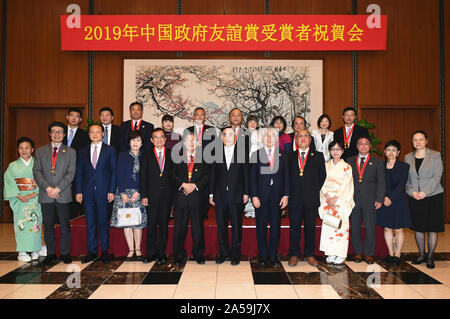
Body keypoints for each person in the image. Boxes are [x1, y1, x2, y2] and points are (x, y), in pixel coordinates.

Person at [33, 121, 76, 265]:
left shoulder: (70, 152)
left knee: (64, 225)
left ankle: (65, 253)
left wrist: (57, 189)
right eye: (54, 131)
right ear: (49, 134)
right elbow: (37, 172)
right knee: (48, 225)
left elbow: (71, 173)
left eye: (60, 132)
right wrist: (48, 189)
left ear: (64, 135)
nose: (57, 134)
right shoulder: (40, 151)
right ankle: (50, 253)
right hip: (46, 195)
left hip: (62, 194)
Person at [75, 124, 117, 264]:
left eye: (98, 132)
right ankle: (92, 251)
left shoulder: (110, 150)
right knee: (90, 222)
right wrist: (78, 190)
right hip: (87, 193)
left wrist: (112, 190)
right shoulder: (82, 151)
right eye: (92, 132)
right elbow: (79, 172)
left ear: (103, 134)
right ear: (89, 134)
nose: (95, 134)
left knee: (103, 222)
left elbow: (113, 172)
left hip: (104, 192)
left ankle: (105, 251)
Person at [209, 127, 249, 266]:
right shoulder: (216, 153)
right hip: (220, 196)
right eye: (224, 134)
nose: (227, 137)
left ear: (235, 137)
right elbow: (213, 175)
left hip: (236, 195)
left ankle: (235, 254)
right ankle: (223, 253)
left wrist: (246, 192)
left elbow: (246, 175)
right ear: (222, 138)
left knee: (236, 226)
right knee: (221, 226)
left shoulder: (242, 153)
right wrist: (211, 194)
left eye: (230, 134)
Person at [250, 127, 289, 267]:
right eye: (266, 135)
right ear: (261, 139)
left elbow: (287, 177)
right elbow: (252, 178)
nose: (268, 138)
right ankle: (262, 255)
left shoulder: (283, 155)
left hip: (277, 197)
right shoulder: (256, 154)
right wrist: (253, 196)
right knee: (260, 227)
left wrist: (286, 195)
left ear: (276, 138)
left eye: (272, 135)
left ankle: (272, 255)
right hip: (260, 196)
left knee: (275, 228)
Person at [405, 131, 444, 269]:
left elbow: (437, 176)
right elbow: (407, 180)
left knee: (432, 227)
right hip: (415, 197)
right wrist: (412, 192)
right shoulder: (408, 157)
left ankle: (430, 256)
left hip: (433, 196)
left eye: (421, 139)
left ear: (426, 141)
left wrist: (424, 192)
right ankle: (421, 254)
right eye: (415, 139)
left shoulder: (435, 155)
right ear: (412, 141)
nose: (418, 142)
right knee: (418, 227)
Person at [287, 129, 326, 267]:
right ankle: (294, 254)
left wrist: (313, 189)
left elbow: (322, 177)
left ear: (310, 140)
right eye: (300, 136)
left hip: (311, 198)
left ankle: (310, 254)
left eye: (306, 136)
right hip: (294, 198)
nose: (303, 138)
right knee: (294, 227)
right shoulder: (290, 156)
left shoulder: (318, 156)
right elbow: (286, 177)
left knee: (310, 227)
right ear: (296, 140)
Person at [172, 132, 210, 266]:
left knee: (197, 228)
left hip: (197, 197)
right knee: (179, 228)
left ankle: (199, 254)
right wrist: (183, 184)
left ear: (197, 143)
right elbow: (172, 174)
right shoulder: (176, 156)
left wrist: (195, 185)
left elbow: (206, 176)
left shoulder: (203, 157)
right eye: (188, 140)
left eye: (194, 140)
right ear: (183, 142)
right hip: (181, 196)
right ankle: (178, 254)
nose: (191, 143)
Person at [110, 131, 147, 261]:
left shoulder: (145, 156)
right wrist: (123, 193)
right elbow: (119, 175)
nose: (135, 143)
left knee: (137, 222)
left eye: (138, 140)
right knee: (127, 222)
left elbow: (146, 177)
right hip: (124, 193)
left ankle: (138, 248)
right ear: (129, 142)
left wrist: (139, 191)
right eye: (133, 140)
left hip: (139, 193)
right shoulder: (122, 155)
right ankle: (130, 249)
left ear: (142, 142)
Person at [4, 137, 42, 262]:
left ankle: (36, 249)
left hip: (35, 199)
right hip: (19, 199)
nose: (24, 150)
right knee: (21, 224)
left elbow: (42, 180)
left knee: (35, 224)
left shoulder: (38, 164)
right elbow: (9, 182)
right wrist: (19, 195)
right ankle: (22, 251)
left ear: (32, 149)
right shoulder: (13, 166)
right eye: (21, 148)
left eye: (27, 148)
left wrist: (32, 195)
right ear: (18, 150)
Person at [348, 137, 385, 264]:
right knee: (355, 228)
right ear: (357, 146)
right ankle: (358, 253)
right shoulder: (349, 161)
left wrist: (380, 198)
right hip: (353, 200)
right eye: (360, 144)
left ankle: (369, 254)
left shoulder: (378, 162)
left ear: (370, 146)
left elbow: (381, 182)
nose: (363, 146)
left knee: (370, 228)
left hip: (370, 200)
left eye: (366, 144)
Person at [140, 128, 173, 265]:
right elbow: (143, 176)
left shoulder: (172, 154)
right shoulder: (146, 154)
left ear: (165, 139)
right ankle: (150, 253)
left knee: (164, 225)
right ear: (151, 140)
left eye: (161, 137)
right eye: (156, 137)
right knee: (152, 225)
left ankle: (161, 253)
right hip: (151, 195)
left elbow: (174, 176)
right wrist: (144, 195)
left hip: (167, 195)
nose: (159, 139)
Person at [318, 141, 355, 265]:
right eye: (333, 149)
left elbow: (347, 184)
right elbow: (321, 182)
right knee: (329, 226)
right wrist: (328, 196)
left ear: (342, 151)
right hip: (327, 199)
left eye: (338, 149)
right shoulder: (325, 165)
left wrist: (336, 197)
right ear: (329, 151)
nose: (335, 151)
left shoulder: (347, 167)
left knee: (340, 226)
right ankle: (330, 252)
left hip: (340, 200)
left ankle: (340, 253)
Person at [376, 140, 411, 265]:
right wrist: (384, 197)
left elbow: (402, 184)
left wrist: (390, 197)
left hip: (398, 201)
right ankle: (390, 253)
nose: (391, 152)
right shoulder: (380, 165)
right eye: (389, 150)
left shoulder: (404, 166)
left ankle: (398, 254)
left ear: (398, 152)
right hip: (384, 200)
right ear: (385, 152)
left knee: (398, 229)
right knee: (387, 229)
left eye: (394, 150)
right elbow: (378, 183)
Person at [186, 107, 217, 220]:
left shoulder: (211, 130)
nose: (199, 117)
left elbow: (215, 148)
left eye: (202, 115)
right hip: (192, 163)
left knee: (204, 187)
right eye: (197, 115)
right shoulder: (188, 130)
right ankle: (191, 210)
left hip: (207, 163)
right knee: (193, 186)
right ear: (193, 117)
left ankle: (204, 211)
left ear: (205, 117)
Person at [62, 107, 90, 219]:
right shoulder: (59, 132)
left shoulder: (85, 135)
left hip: (76, 175)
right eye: (72, 115)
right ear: (67, 117)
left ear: (80, 119)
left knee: (74, 206)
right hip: (59, 175)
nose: (74, 118)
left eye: (77, 116)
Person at [243, 115, 261, 218]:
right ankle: (248, 208)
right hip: (246, 163)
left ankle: (255, 208)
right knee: (247, 185)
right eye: (250, 122)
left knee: (256, 185)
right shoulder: (243, 134)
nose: (253, 124)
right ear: (247, 123)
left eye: (255, 122)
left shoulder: (260, 134)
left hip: (257, 162)